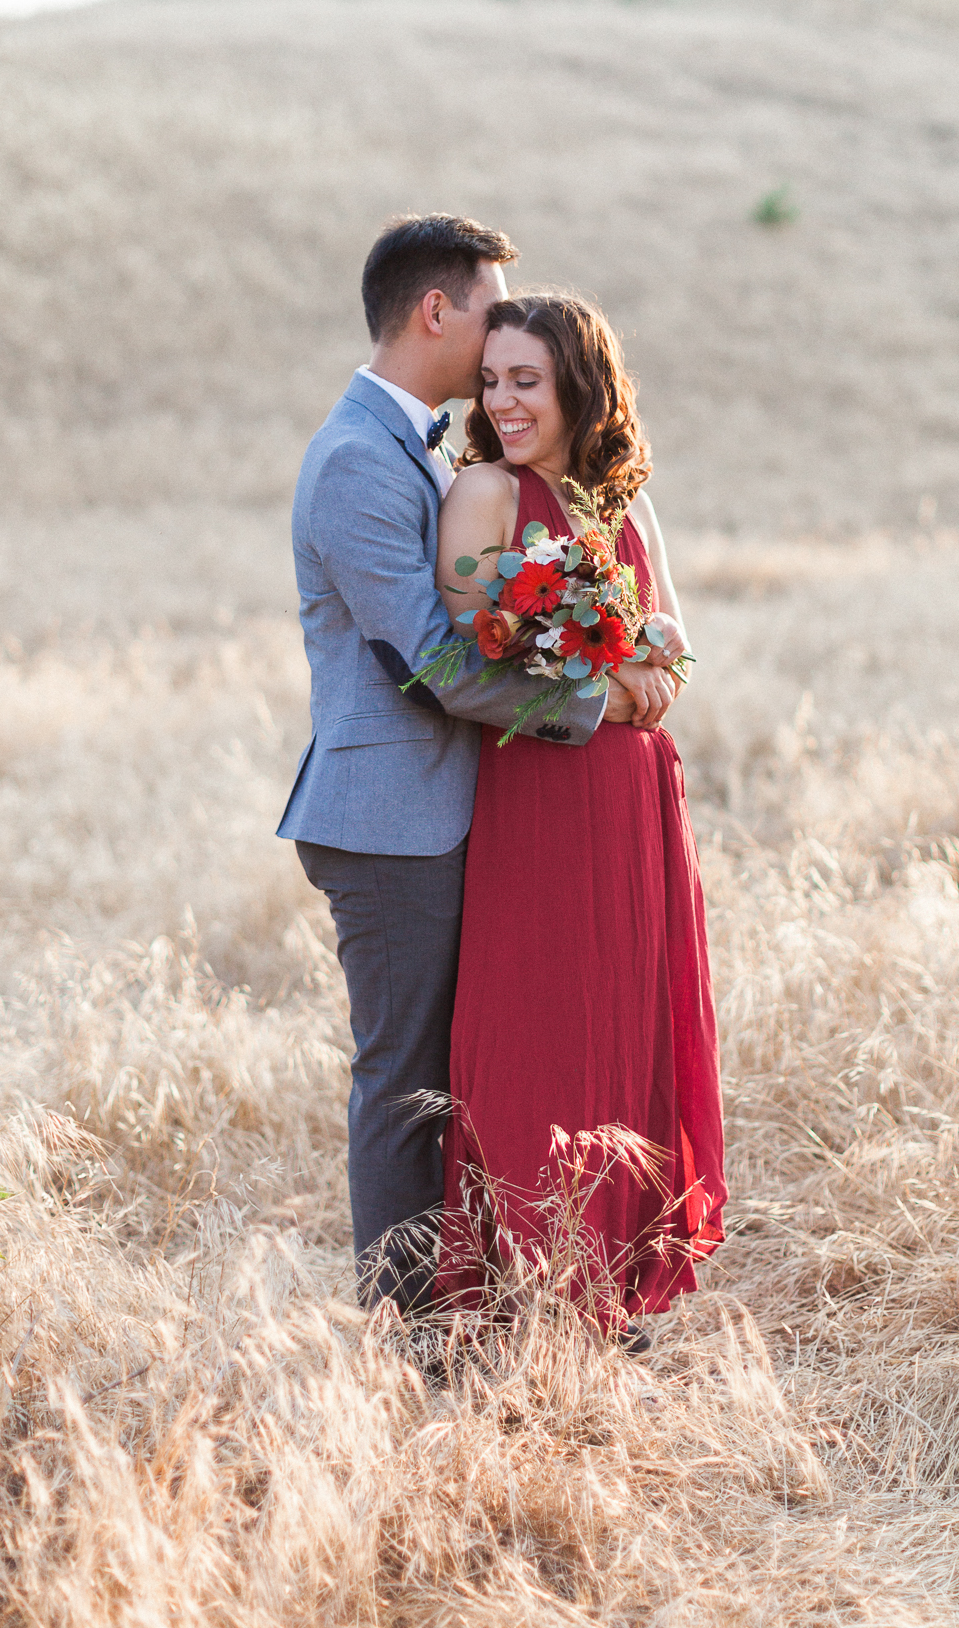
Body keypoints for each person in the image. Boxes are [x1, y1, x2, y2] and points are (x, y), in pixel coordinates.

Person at [276, 216, 676, 1316]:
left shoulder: (412, 445)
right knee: (405, 1085)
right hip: (389, 816)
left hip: (448, 810)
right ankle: (403, 1335)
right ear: (434, 313)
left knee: (463, 1076)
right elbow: (441, 665)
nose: (502, 335)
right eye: (489, 312)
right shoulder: (360, 459)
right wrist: (598, 699)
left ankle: (490, 1298)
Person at [433, 292, 727, 1339]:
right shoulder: (482, 494)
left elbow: (681, 642)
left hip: (636, 796)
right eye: (492, 380)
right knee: (533, 1024)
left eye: (527, 381)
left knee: (624, 1019)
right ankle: (527, 1274)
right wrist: (600, 671)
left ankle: (605, 1286)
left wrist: (653, 664)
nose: (503, 401)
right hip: (539, 792)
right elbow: (472, 653)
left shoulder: (622, 501)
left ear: (578, 386)